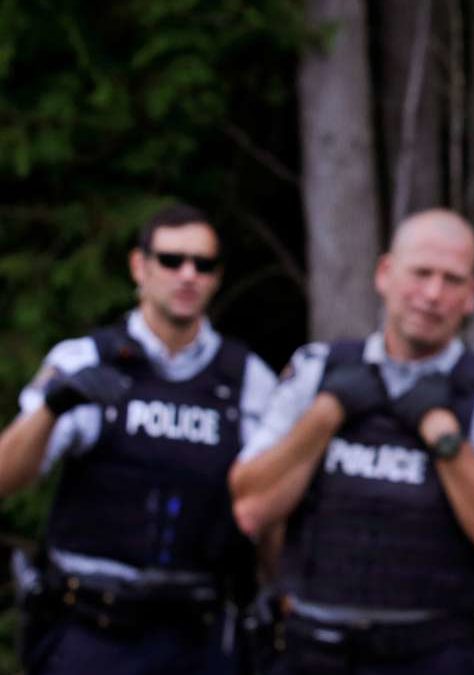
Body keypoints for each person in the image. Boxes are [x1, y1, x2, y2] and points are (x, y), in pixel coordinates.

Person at [229, 208, 474, 675]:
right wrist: (325, 414)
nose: (433, 294)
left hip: (437, 653)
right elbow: (251, 506)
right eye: (420, 273)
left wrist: (445, 438)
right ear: (385, 274)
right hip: (309, 650)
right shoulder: (317, 371)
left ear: (471, 296)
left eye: (452, 280)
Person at [0, 204, 278, 674]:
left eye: (203, 264)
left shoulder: (246, 380)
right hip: (90, 630)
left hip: (196, 635)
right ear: (140, 266)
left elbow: (271, 508)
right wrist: (52, 407)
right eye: (171, 261)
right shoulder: (85, 360)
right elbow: (8, 477)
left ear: (217, 277)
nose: (187, 275)